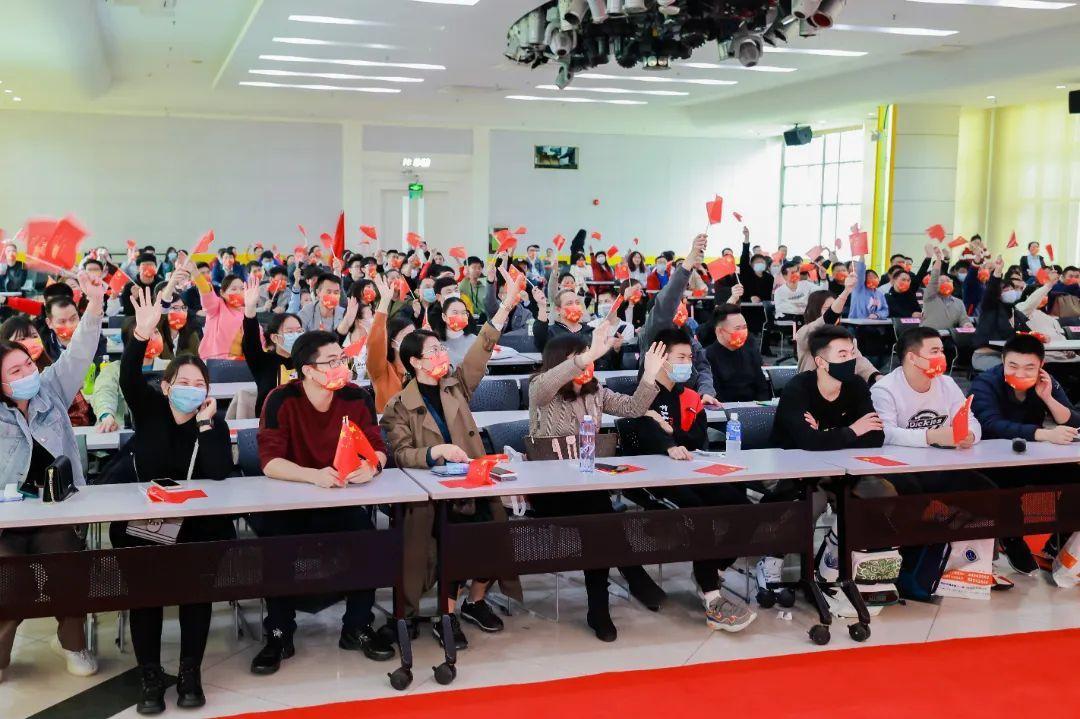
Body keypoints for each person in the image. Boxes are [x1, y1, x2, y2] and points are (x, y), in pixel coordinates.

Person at [108, 287, 234, 713]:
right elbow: (128, 378)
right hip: (144, 523)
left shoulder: (212, 424)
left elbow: (218, 472)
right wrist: (141, 336)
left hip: (196, 526)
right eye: (183, 383)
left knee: (197, 591)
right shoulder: (150, 409)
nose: (192, 389)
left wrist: (206, 425)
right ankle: (149, 674)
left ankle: (189, 671)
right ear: (165, 387)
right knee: (146, 594)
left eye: (200, 384)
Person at [381, 283, 527, 649]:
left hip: (473, 482)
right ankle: (445, 616)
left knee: (496, 538)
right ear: (415, 362)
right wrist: (435, 451)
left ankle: (474, 602)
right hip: (433, 493)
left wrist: (503, 309)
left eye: (441, 348)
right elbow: (401, 453)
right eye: (433, 351)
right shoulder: (398, 406)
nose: (440, 354)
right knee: (454, 545)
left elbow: (480, 352)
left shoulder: (455, 385)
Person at [253, 331, 395, 674]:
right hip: (292, 502)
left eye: (342, 359)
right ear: (307, 370)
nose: (341, 366)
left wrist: (372, 466)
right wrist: (312, 475)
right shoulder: (280, 400)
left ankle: (357, 626)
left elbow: (377, 447)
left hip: (341, 497)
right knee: (275, 545)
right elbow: (270, 462)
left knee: (368, 540)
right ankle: (279, 632)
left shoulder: (356, 396)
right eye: (331, 362)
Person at [527, 331, 669, 640]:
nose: (587, 364)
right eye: (579, 358)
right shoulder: (541, 389)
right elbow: (546, 386)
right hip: (550, 490)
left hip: (587, 486)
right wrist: (587, 356)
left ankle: (600, 607)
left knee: (599, 522)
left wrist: (649, 375)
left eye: (590, 357)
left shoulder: (596, 392)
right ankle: (628, 579)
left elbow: (633, 408)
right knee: (602, 518)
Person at [0, 271, 104, 684]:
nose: (27, 371)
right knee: (7, 579)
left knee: (66, 566)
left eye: (28, 363)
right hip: (8, 521)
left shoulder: (50, 388)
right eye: (15, 370)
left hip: (56, 513)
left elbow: (79, 352)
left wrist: (94, 305)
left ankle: (73, 643)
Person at [631, 328, 757, 631]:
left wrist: (670, 432)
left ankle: (712, 569)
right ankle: (712, 597)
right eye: (681, 357)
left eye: (690, 357)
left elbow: (697, 439)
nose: (688, 363)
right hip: (653, 480)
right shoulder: (644, 394)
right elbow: (642, 437)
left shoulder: (690, 397)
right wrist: (667, 442)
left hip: (691, 471)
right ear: (661, 359)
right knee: (700, 514)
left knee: (744, 507)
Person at [970, 333, 1080, 573]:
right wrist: (1043, 434)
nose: (1020, 374)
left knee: (1074, 478)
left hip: (1032, 456)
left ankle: (1057, 544)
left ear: (1041, 365)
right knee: (1005, 485)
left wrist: (1048, 398)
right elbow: (991, 424)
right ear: (1002, 360)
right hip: (991, 460)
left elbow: (1074, 420)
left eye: (1029, 368)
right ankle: (1010, 536)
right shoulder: (985, 383)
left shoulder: (1046, 381)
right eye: (1013, 366)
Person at [772, 325, 885, 451]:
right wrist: (853, 430)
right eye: (843, 355)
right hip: (792, 460)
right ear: (821, 362)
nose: (851, 359)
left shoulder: (857, 384)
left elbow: (876, 437)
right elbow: (808, 441)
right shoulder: (797, 388)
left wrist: (824, 434)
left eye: (852, 353)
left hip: (841, 460)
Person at [91, 316, 167, 432]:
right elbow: (104, 391)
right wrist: (107, 415)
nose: (153, 338)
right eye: (147, 334)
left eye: (156, 332)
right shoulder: (113, 370)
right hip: (122, 431)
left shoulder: (169, 367)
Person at [242, 278, 301, 417]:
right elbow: (251, 340)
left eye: (299, 331)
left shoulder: (307, 361)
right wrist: (250, 309)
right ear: (274, 337)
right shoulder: (263, 361)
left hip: (301, 422)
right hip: (269, 423)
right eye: (290, 332)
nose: (296, 335)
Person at [177, 253, 247, 361]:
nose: (238, 292)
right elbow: (207, 293)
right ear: (222, 293)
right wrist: (195, 273)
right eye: (233, 289)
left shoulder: (247, 311)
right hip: (216, 360)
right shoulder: (217, 306)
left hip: (241, 361)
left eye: (242, 289)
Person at [367, 275, 414, 413]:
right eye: (406, 335)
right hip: (389, 424)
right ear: (393, 343)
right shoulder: (381, 370)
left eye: (414, 334)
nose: (412, 339)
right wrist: (384, 302)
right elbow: (375, 342)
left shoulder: (420, 367)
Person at [972, 256, 1029, 371]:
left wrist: (1040, 337)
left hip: (1009, 356)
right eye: (1005, 290)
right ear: (998, 294)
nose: (1009, 292)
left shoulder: (1015, 312)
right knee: (1014, 370)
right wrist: (998, 271)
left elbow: (1026, 332)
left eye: (1011, 289)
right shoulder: (991, 307)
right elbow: (991, 290)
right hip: (986, 356)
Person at [706, 302, 770, 402]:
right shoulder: (708, 356)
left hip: (754, 406)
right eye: (737, 328)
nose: (742, 332)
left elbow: (762, 387)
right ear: (720, 331)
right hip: (725, 407)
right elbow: (715, 393)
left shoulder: (750, 351)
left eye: (744, 327)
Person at [921, 247, 973, 332]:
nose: (946, 283)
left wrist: (966, 324)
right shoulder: (930, 296)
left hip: (948, 336)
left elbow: (963, 319)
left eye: (948, 281)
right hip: (928, 334)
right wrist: (939, 258)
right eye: (942, 281)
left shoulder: (959, 302)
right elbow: (934, 276)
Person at [429, 296, 477, 368]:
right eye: (455, 313)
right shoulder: (436, 342)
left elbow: (481, 369)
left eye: (463, 313)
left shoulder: (475, 340)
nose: (460, 316)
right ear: (444, 317)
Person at [737, 228, 773, 303]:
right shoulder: (747, 273)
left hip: (762, 307)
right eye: (757, 262)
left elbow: (768, 296)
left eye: (762, 262)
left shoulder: (769, 277)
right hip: (746, 306)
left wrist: (760, 299)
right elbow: (744, 257)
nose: (760, 264)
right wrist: (747, 237)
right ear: (752, 265)